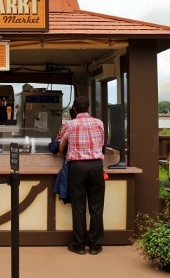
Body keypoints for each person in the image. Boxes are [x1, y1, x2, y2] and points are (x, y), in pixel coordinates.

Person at [58, 95, 105, 256]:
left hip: (77, 167)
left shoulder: (69, 124)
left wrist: (61, 151)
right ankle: (95, 245)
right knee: (96, 207)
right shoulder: (99, 123)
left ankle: (78, 245)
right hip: (96, 166)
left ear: (75, 109)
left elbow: (61, 145)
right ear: (89, 107)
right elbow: (102, 143)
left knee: (78, 207)